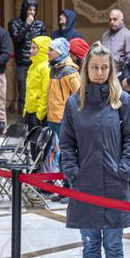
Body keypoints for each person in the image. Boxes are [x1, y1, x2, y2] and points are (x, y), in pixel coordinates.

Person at [60, 43, 130, 258]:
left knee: (114, 244)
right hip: (85, 184)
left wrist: (124, 168)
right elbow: (66, 143)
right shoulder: (75, 102)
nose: (99, 72)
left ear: (111, 70)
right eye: (94, 67)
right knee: (90, 244)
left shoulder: (123, 102)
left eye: (104, 68)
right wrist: (73, 172)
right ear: (86, 69)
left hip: (115, 183)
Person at [46, 38, 81, 169]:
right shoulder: (53, 69)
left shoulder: (68, 71)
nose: (48, 52)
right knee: (53, 150)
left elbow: (79, 94)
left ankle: (64, 178)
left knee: (63, 150)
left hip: (63, 118)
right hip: (52, 117)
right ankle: (53, 177)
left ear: (59, 52)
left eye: (51, 50)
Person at [9, 0, 46, 116]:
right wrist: (27, 24)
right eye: (30, 9)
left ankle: (37, 122)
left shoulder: (40, 25)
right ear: (24, 9)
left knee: (39, 93)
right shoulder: (14, 23)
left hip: (37, 64)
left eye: (34, 10)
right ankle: (22, 123)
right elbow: (16, 39)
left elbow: (44, 44)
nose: (32, 12)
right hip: (22, 64)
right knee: (23, 93)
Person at [24, 34, 53, 126]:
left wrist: (40, 114)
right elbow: (29, 90)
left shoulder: (46, 67)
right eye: (31, 47)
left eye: (34, 48)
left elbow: (45, 92)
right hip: (30, 110)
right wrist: (26, 108)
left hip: (38, 114)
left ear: (43, 49)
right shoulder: (32, 66)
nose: (30, 50)